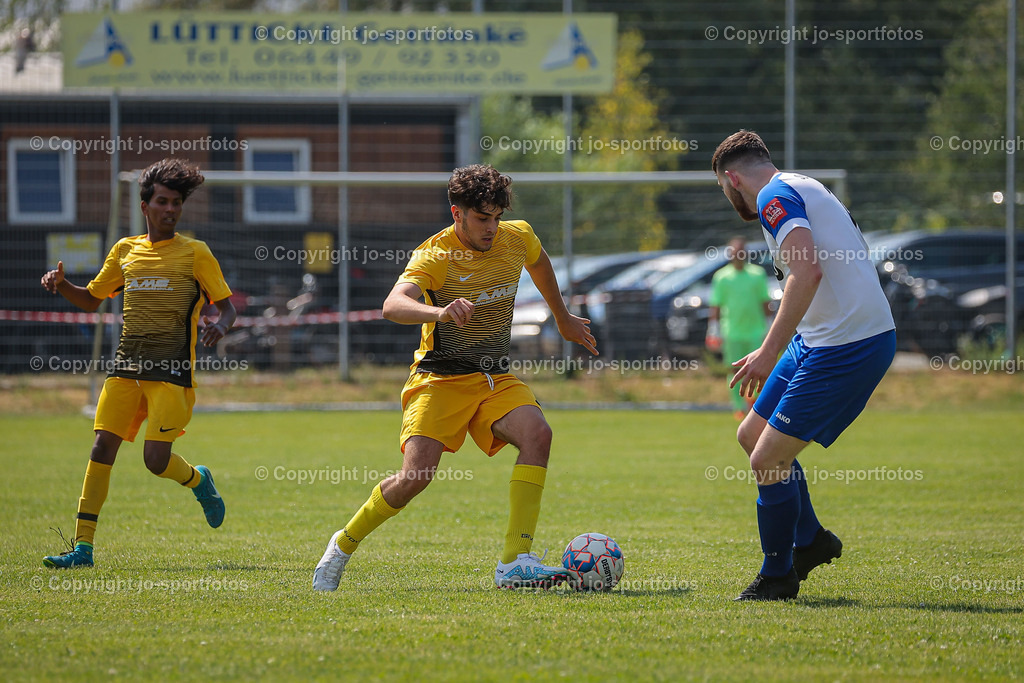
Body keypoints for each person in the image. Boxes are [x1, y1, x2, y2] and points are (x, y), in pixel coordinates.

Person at [313, 164, 598, 591]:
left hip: (493, 377)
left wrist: (561, 317)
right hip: (439, 380)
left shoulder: (516, 236)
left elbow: (538, 263)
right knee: (415, 478)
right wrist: (438, 311)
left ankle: (514, 561)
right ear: (456, 213)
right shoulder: (435, 255)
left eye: (496, 217)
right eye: (482, 218)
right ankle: (343, 544)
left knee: (538, 434)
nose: (491, 228)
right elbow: (392, 305)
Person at [711, 131, 896, 601]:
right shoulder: (798, 184)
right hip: (820, 338)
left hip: (848, 343)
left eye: (722, 187)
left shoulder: (774, 194)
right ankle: (810, 540)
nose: (728, 196)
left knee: (767, 459)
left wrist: (767, 351)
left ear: (732, 178)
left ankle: (777, 576)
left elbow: (807, 270)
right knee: (751, 434)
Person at [40, 158, 236, 568]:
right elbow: (93, 299)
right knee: (101, 446)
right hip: (126, 369)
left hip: (171, 374)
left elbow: (227, 308)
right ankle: (83, 548)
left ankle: (199, 480)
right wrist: (62, 286)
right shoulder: (124, 251)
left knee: (155, 462)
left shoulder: (196, 252)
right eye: (162, 201)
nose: (170, 209)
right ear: (145, 206)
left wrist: (220, 325)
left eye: (177, 203)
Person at [706, 236, 773, 420]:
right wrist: (713, 328)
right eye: (735, 252)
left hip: (755, 331)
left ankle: (756, 405)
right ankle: (738, 406)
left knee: (758, 369)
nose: (738, 256)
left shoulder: (757, 274)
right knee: (735, 371)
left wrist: (770, 326)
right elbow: (716, 305)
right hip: (732, 332)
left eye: (741, 252)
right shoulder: (722, 277)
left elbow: (764, 301)